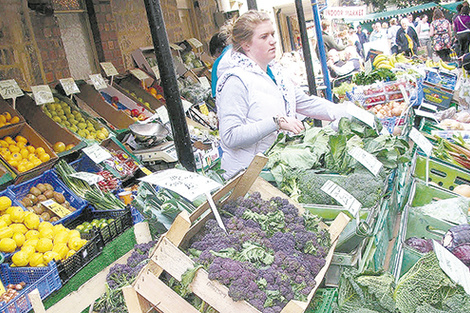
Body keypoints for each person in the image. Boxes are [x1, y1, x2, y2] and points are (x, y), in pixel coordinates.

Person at [215, 10, 351, 179]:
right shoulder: (235, 80)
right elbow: (230, 136)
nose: (273, 41)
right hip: (247, 178)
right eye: (264, 37)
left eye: (272, 34)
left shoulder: (276, 73)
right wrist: (276, 122)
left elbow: (305, 102)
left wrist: (345, 112)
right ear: (246, 44)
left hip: (274, 172)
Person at [209, 32, 230, 97]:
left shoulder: (219, 62)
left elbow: (215, 94)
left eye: (216, 56)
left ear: (218, 50)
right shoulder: (242, 50)